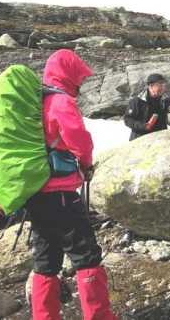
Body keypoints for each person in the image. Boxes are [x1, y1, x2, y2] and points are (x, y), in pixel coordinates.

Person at [28, 49, 117, 320]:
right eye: (78, 76)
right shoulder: (60, 101)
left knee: (45, 260)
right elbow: (78, 138)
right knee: (86, 256)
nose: (80, 83)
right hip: (62, 194)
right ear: (68, 75)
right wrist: (86, 163)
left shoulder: (36, 100)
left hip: (36, 192)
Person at [124, 73, 170, 141]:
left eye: (163, 85)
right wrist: (143, 126)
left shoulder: (165, 100)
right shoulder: (137, 101)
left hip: (159, 139)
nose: (163, 88)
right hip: (139, 139)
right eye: (160, 85)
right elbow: (128, 119)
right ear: (151, 86)